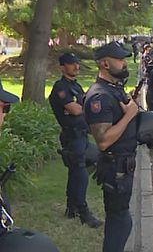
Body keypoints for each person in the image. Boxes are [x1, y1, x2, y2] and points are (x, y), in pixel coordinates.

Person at [84, 41, 140, 252]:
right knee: (120, 223)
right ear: (105, 64)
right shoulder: (99, 96)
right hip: (115, 168)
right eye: (119, 59)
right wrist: (130, 115)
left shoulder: (113, 89)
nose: (124, 63)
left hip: (124, 167)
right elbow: (103, 140)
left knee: (122, 221)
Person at [48, 53, 103, 228]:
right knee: (80, 175)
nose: (76, 67)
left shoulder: (76, 87)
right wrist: (87, 106)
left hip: (82, 135)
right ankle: (82, 211)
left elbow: (84, 105)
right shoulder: (61, 87)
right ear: (62, 67)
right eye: (71, 64)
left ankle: (71, 206)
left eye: (77, 63)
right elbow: (75, 109)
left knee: (88, 164)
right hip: (72, 137)